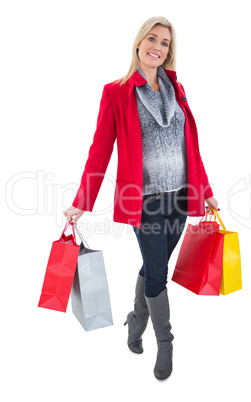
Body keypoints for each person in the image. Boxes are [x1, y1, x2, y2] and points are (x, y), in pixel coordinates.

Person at [64, 16, 218, 380]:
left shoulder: (176, 89)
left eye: (165, 43)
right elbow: (99, 151)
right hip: (144, 200)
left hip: (181, 196)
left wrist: (206, 192)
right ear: (138, 44)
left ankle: (136, 319)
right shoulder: (117, 92)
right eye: (153, 39)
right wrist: (82, 201)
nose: (158, 47)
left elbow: (191, 148)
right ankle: (165, 342)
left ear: (168, 53)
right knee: (157, 276)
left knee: (154, 267)